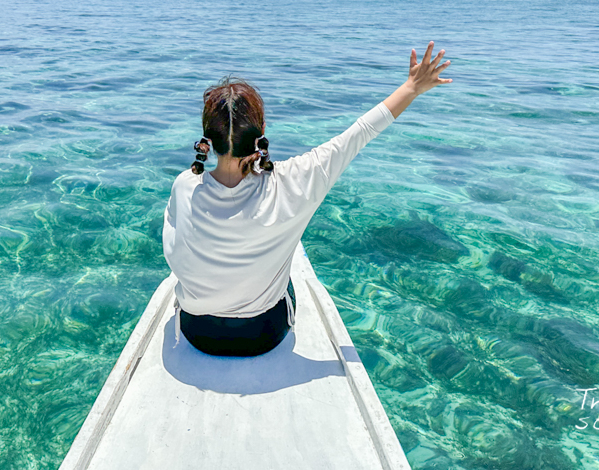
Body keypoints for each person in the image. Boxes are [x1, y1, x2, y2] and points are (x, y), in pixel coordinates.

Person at [162, 42, 452, 357]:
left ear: (208, 139)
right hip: (262, 335)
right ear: (260, 135)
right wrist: (411, 87)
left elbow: (175, 248)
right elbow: (356, 135)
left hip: (198, 333)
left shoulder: (185, 185)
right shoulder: (293, 181)